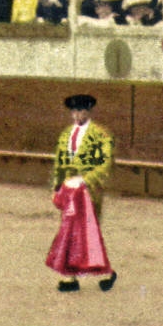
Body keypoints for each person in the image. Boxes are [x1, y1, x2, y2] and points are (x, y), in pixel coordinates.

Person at [50, 94, 117, 292]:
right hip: (70, 191)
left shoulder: (101, 135)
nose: (77, 115)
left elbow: (105, 165)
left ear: (89, 111)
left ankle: (106, 273)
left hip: (88, 191)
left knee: (89, 233)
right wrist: (57, 187)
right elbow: (59, 163)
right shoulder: (66, 135)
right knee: (70, 233)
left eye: (81, 111)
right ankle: (71, 279)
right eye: (74, 111)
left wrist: (85, 181)